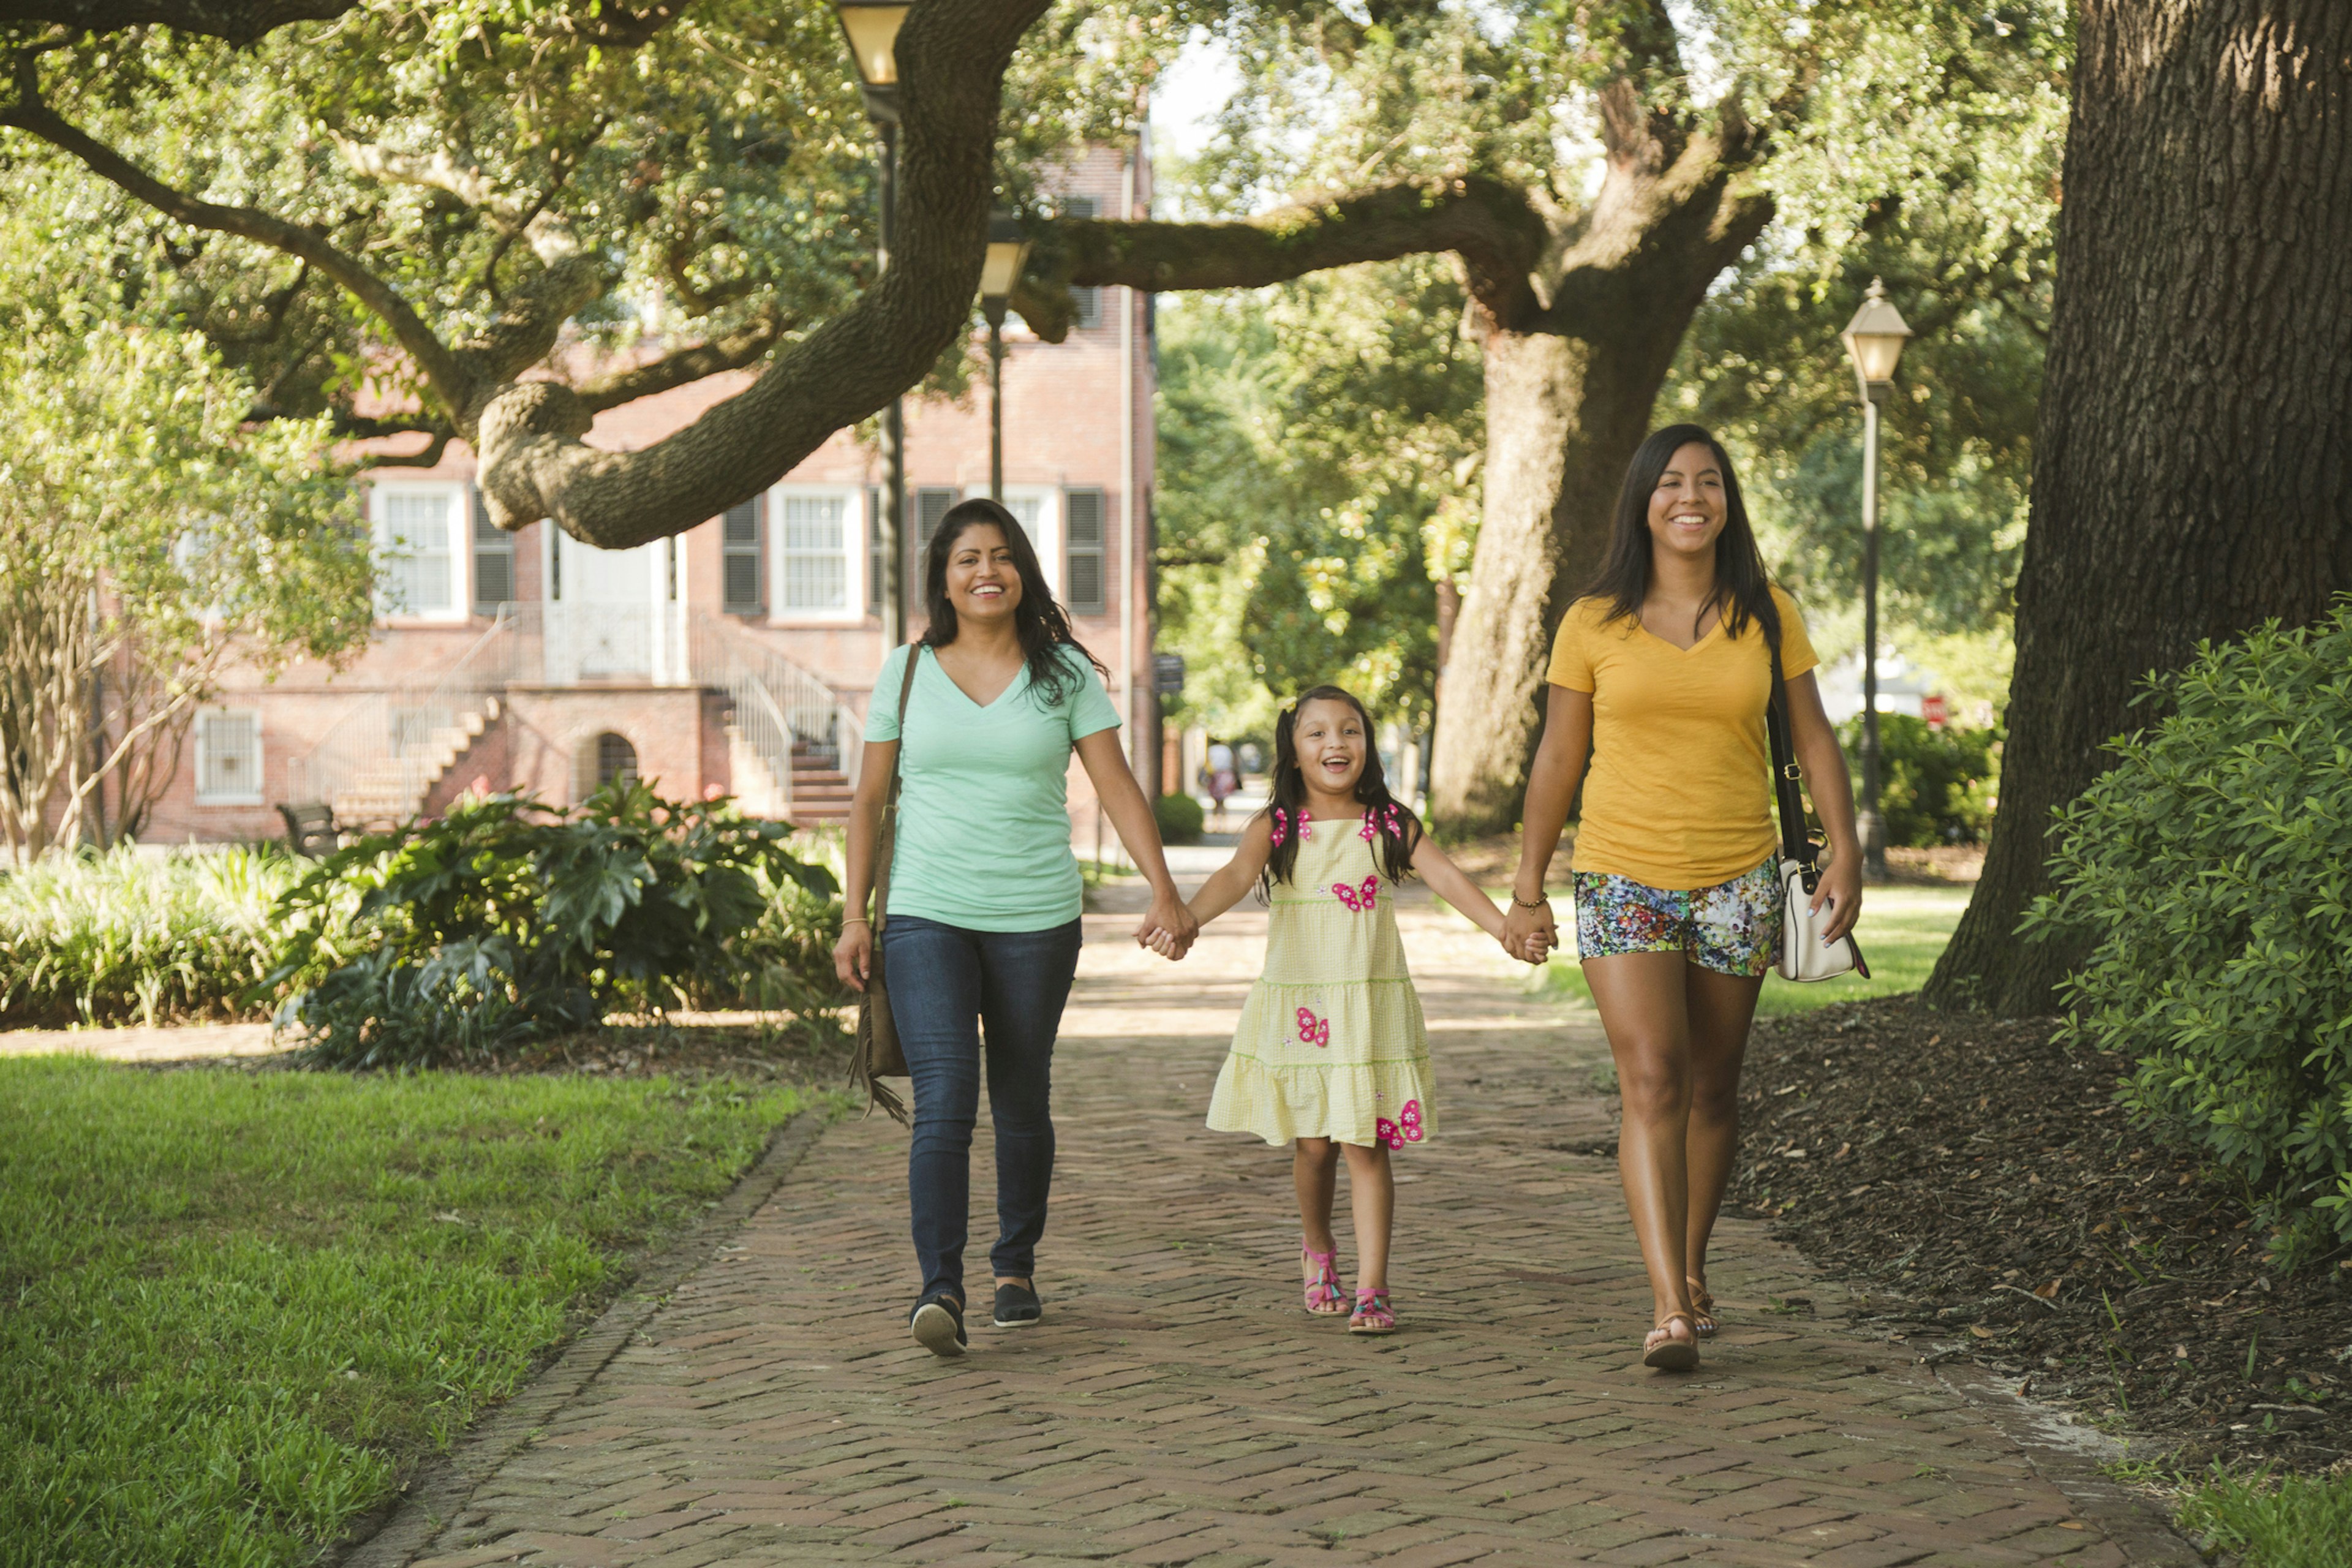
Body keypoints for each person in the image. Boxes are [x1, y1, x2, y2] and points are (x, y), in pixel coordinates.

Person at [1501, 425, 1862, 1371]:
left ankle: (1693, 1271)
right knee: (1653, 1078)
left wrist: (1848, 849)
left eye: (1708, 482)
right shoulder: (1594, 621)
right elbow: (1558, 756)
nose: (1689, 497)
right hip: (1623, 875)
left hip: (1739, 877)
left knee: (1713, 1085)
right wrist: (1528, 885)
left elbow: (1815, 739)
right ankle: (1665, 1306)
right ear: (1643, 501)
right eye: (1669, 482)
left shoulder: (1766, 611)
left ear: (1728, 502)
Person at [835, 499, 1197, 1359]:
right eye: (967, 559)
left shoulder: (1064, 672)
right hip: (925, 912)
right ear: (944, 579)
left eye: (1000, 556)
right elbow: (869, 800)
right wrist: (856, 916)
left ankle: (1015, 1266)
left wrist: (1164, 890)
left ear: (1023, 571)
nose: (985, 572)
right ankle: (941, 1288)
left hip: (1037, 916)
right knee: (946, 1097)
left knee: (1022, 1096)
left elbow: (1116, 787)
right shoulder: (908, 671)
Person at [1161, 685, 1540, 1334]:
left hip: (1368, 1005)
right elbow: (1231, 875)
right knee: (1315, 1148)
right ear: (1293, 750)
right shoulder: (1277, 826)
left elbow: (1448, 878)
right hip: (1304, 1005)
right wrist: (1187, 917)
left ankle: (1373, 1287)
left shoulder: (1388, 822)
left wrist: (1505, 926)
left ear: (1368, 743)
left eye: (1351, 731)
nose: (1336, 743)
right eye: (1317, 733)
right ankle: (1318, 1249)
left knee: (1366, 1143)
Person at [1205, 737, 1238, 824]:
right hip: (1226, 775)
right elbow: (1232, 762)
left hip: (1215, 775)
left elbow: (1207, 763)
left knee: (1215, 802)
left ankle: (1214, 824)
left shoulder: (1210, 750)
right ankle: (1224, 824)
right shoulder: (1226, 750)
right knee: (1223, 801)